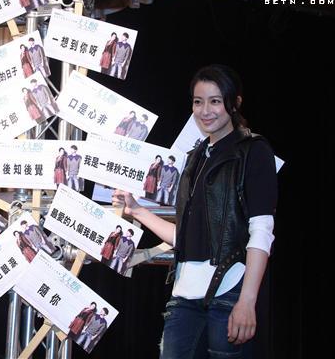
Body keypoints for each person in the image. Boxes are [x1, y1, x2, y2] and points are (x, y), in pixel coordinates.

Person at [112, 64, 278, 359]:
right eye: (198, 102)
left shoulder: (253, 150)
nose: (205, 111)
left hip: (230, 289)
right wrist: (137, 211)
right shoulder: (195, 158)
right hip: (184, 295)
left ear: (235, 102)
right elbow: (185, 237)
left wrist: (247, 300)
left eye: (215, 101)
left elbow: (262, 232)